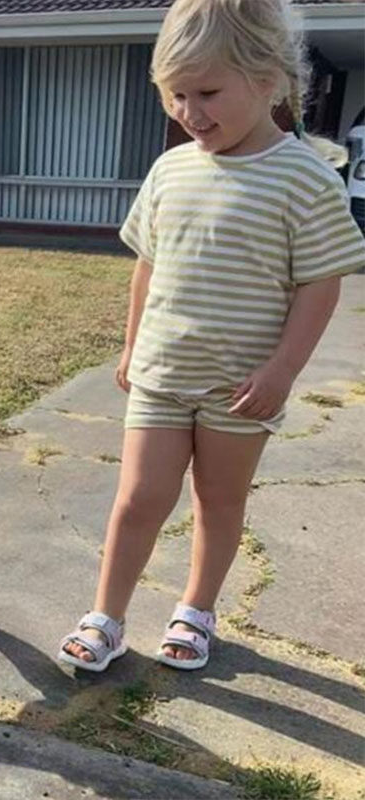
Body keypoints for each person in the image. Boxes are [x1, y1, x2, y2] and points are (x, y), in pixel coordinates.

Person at [58, 0, 365, 673]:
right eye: (175, 95)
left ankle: (196, 609)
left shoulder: (305, 178)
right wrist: (131, 345)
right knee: (138, 498)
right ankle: (106, 616)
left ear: (267, 80)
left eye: (206, 93)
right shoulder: (171, 170)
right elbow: (147, 266)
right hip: (163, 375)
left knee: (218, 501)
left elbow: (320, 284)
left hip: (241, 387)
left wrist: (282, 371)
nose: (189, 112)